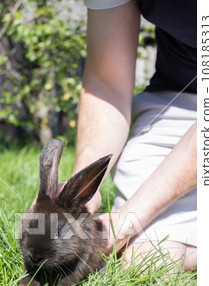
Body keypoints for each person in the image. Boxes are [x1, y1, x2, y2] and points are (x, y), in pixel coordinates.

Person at [74, 0, 197, 271]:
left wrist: (127, 218)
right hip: (179, 99)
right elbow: (107, 84)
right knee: (145, 262)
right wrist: (82, 188)